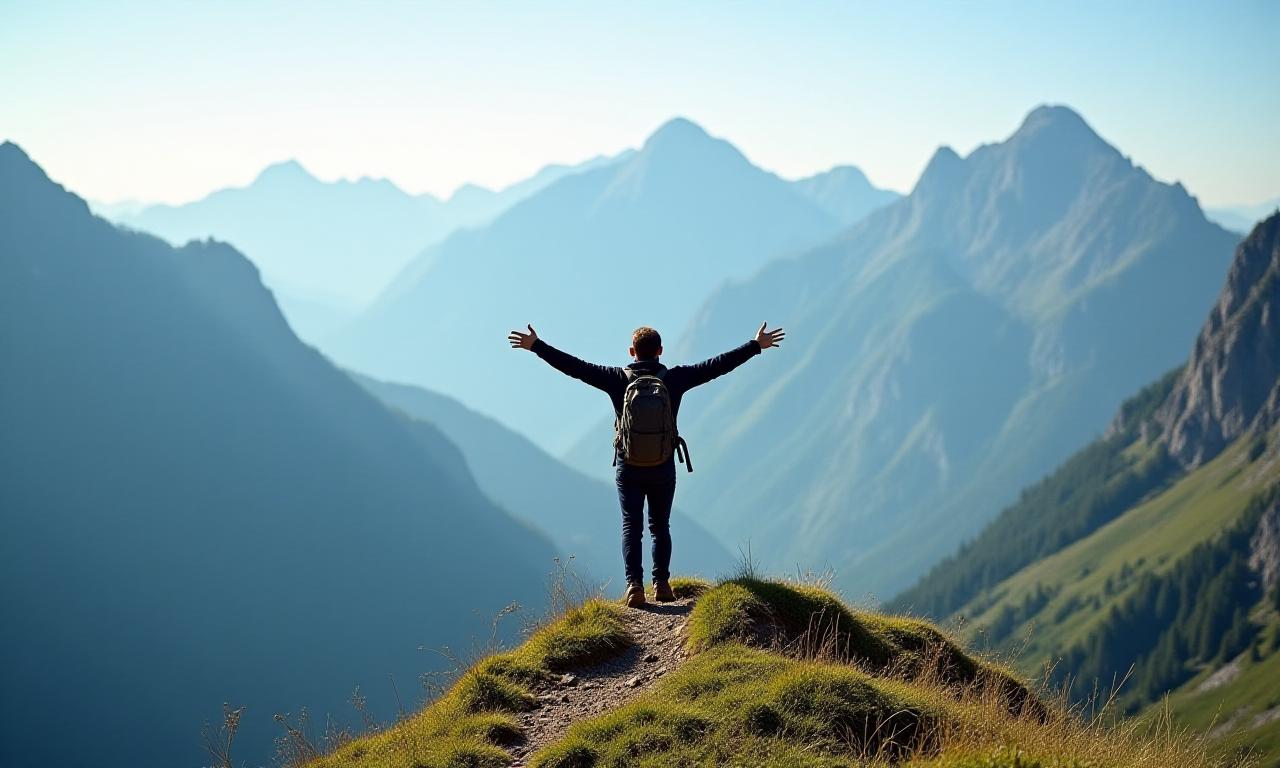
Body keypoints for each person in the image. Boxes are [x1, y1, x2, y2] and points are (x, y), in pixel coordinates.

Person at [507, 322, 784, 607]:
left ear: (632, 352)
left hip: (629, 466)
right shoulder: (674, 379)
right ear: (660, 352)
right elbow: (715, 366)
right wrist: (754, 346)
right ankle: (662, 583)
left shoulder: (616, 379)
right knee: (660, 526)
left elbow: (575, 367)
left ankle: (634, 587)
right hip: (663, 465)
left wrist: (536, 346)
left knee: (631, 526)